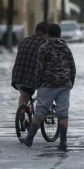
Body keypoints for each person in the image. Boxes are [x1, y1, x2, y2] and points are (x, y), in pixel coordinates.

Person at [20, 23, 76, 151]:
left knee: (40, 111)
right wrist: (70, 82)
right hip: (64, 84)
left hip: (47, 84)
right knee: (63, 113)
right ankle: (63, 143)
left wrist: (38, 83)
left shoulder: (44, 47)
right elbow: (72, 67)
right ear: (60, 34)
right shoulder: (66, 48)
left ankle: (29, 139)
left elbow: (39, 68)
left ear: (48, 34)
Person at [11, 21, 49, 106]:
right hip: (31, 79)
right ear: (46, 33)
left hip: (17, 77)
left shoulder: (24, 40)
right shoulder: (45, 44)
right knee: (45, 92)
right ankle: (41, 115)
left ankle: (21, 113)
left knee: (24, 94)